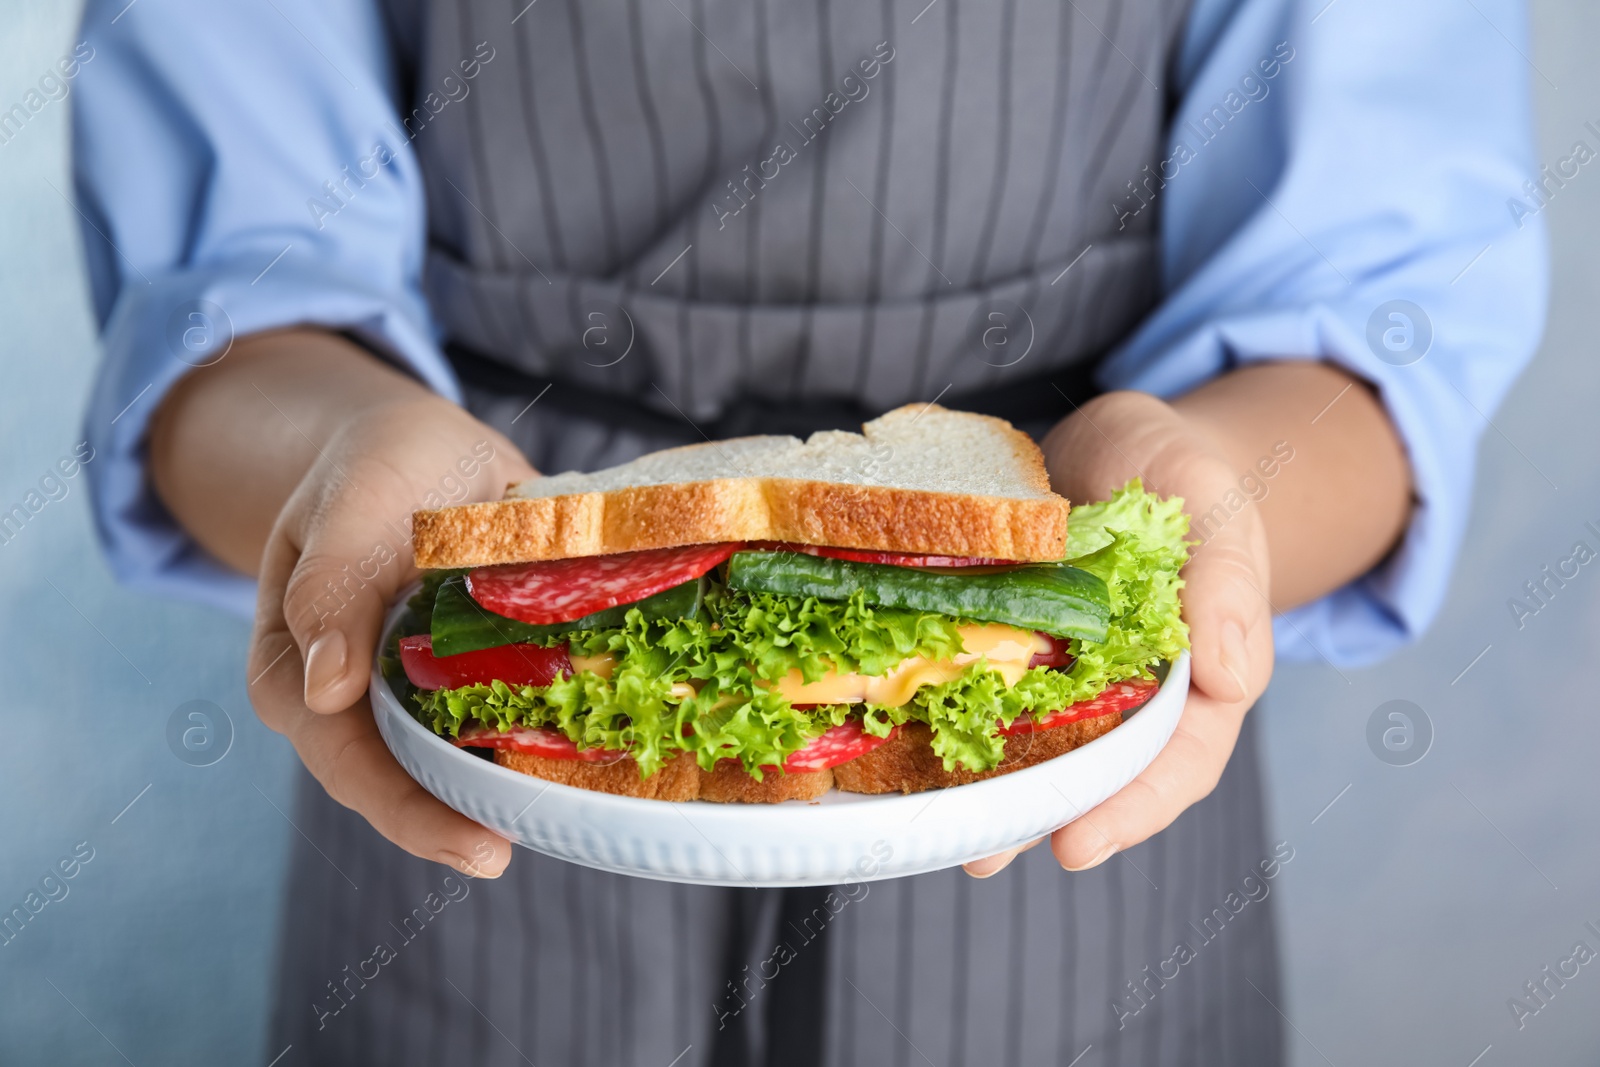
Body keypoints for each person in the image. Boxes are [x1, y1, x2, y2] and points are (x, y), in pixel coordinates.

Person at [72, 0, 1545, 1062]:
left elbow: (1377, 312)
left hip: (1076, 752)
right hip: (488, 633)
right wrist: (338, 456)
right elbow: (222, 295)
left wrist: (1207, 486)